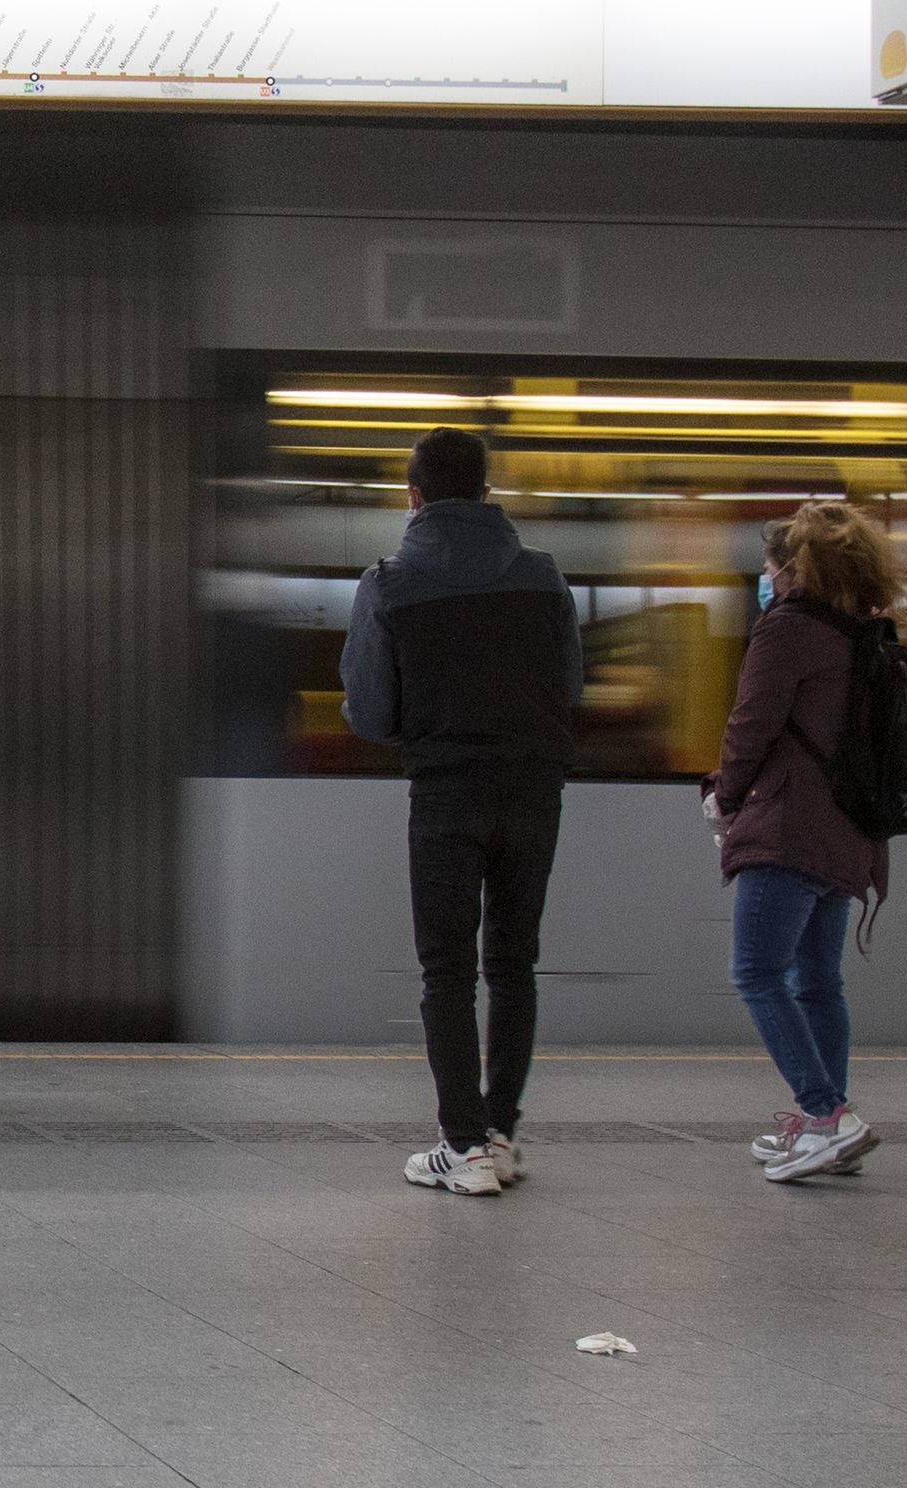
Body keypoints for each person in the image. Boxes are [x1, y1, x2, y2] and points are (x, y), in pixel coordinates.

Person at [340, 428, 580, 1198]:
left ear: (413, 496)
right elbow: (567, 687)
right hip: (533, 791)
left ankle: (463, 1146)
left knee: (447, 971)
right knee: (514, 964)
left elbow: (373, 715)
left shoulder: (389, 584)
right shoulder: (543, 580)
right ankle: (501, 1136)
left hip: (444, 793)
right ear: (485, 493)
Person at [711, 502, 901, 1183]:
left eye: (768, 567)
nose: (764, 579)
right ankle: (832, 1130)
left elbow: (751, 724)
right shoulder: (865, 633)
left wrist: (723, 795)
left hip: (790, 828)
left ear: (793, 569)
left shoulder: (787, 628)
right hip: (850, 834)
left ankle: (826, 1116)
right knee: (818, 982)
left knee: (757, 972)